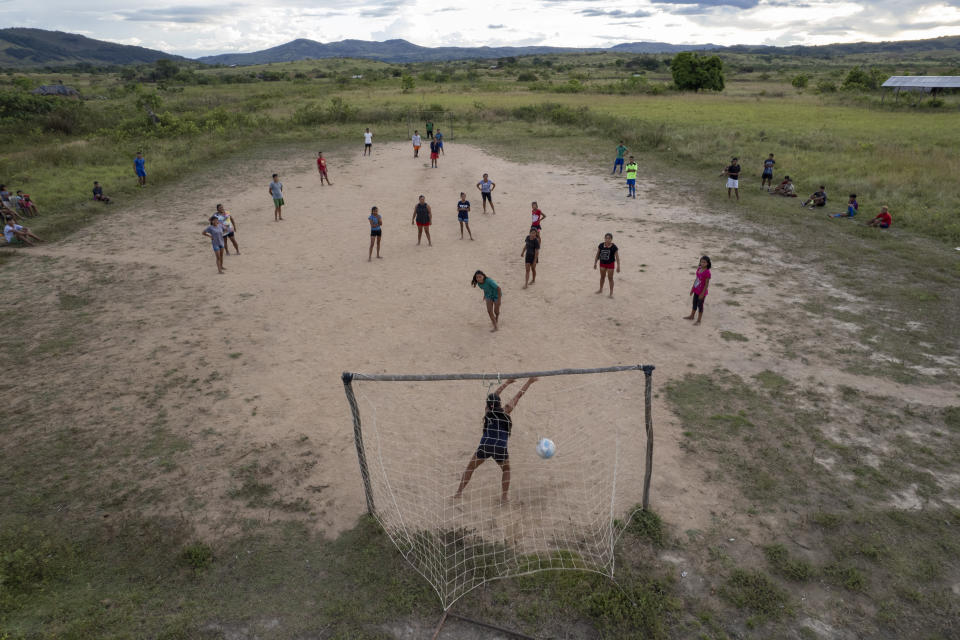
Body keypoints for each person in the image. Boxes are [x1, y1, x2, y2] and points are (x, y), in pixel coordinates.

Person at [453, 377, 539, 503]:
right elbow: (519, 395)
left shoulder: (487, 412)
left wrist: (506, 383)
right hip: (500, 447)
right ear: (499, 403)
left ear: (488, 405)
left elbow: (493, 396)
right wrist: (529, 382)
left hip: (486, 445)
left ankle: (458, 492)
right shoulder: (506, 411)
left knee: (470, 468)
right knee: (506, 470)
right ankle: (504, 497)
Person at [683, 255, 712, 325]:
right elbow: (697, 279)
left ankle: (699, 321)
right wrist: (692, 289)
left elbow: (706, 284)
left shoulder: (707, 272)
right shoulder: (699, 269)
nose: (702, 263)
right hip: (696, 290)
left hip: (702, 292)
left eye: (704, 262)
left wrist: (702, 293)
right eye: (701, 262)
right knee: (694, 303)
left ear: (707, 263)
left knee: (700, 305)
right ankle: (692, 316)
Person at [594, 233, 620, 297]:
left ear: (611, 239)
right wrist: (595, 263)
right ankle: (600, 289)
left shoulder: (614, 247)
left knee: (610, 278)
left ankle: (611, 293)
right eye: (606, 238)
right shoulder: (601, 245)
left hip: (610, 264)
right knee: (602, 277)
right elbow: (597, 254)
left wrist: (618, 266)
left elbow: (617, 257)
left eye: (609, 238)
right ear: (604, 239)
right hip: (602, 264)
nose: (607, 240)